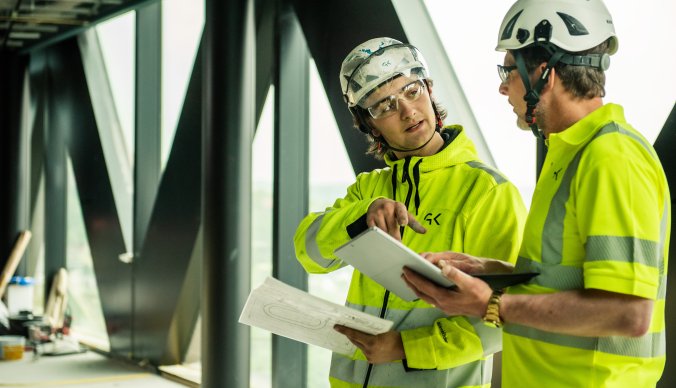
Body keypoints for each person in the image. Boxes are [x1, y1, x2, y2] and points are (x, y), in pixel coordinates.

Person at [402, 1, 670, 387]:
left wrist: (490, 304)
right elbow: (567, 281)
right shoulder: (573, 154)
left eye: (508, 69)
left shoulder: (612, 157)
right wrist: (488, 272)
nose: (502, 85)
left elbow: (628, 313)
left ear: (543, 72)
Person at [293, 37, 527, 387]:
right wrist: (361, 216)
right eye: (384, 106)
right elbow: (309, 254)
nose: (408, 111)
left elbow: (508, 317)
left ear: (430, 90)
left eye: (412, 91)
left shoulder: (488, 192)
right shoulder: (368, 189)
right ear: (369, 125)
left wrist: (405, 347)